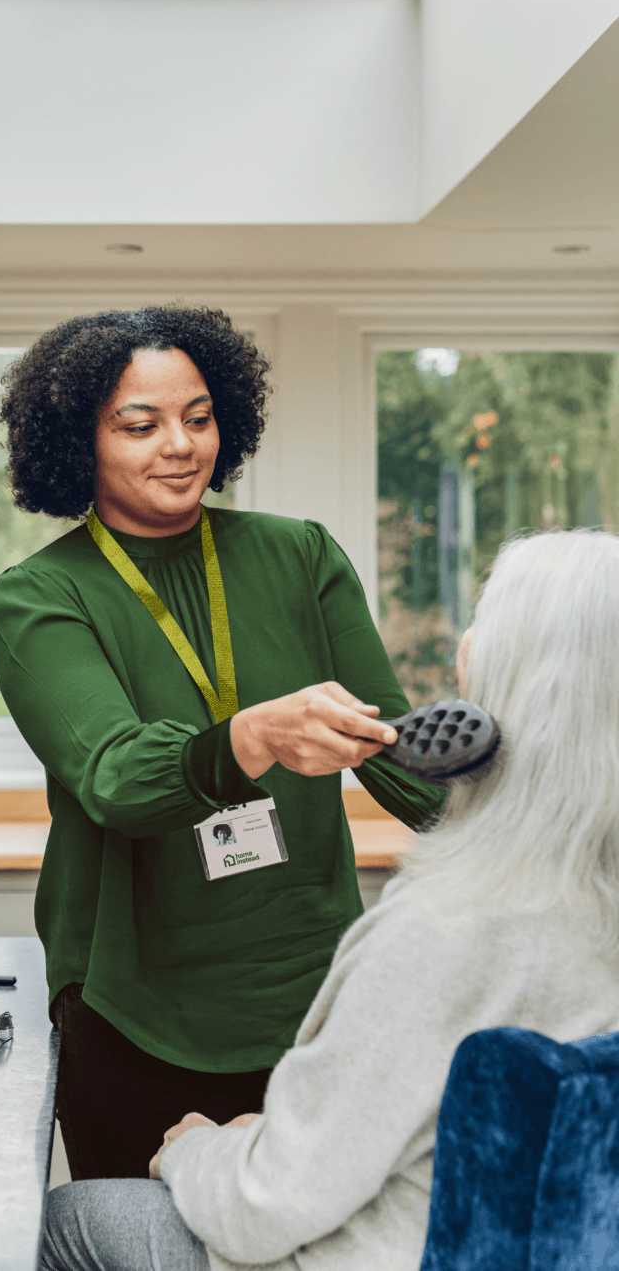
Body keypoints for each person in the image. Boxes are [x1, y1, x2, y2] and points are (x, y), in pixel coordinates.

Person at [40, 527, 619, 1271]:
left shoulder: (440, 930)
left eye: (484, 617)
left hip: (379, 1253)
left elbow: (261, 1211)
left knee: (66, 1219)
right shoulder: (586, 907)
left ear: (517, 677)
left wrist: (198, 1151)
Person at [0, 305, 443, 1182]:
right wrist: (252, 736)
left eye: (199, 417)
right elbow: (115, 777)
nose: (180, 445)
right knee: (146, 1239)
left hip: (312, 996)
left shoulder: (300, 556)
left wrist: (536, 800)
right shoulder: (38, 597)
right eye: (140, 424)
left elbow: (393, 751)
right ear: (78, 441)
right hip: (133, 1003)